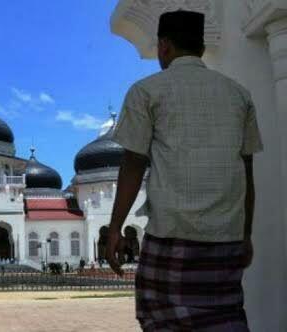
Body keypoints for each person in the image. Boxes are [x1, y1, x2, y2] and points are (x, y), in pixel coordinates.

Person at [106, 10, 263, 331]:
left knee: (163, 319)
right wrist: (245, 235)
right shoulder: (238, 94)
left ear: (163, 47)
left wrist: (114, 228)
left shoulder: (147, 90)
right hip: (226, 237)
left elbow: (133, 163)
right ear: (202, 47)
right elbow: (246, 169)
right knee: (224, 316)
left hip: (172, 236)